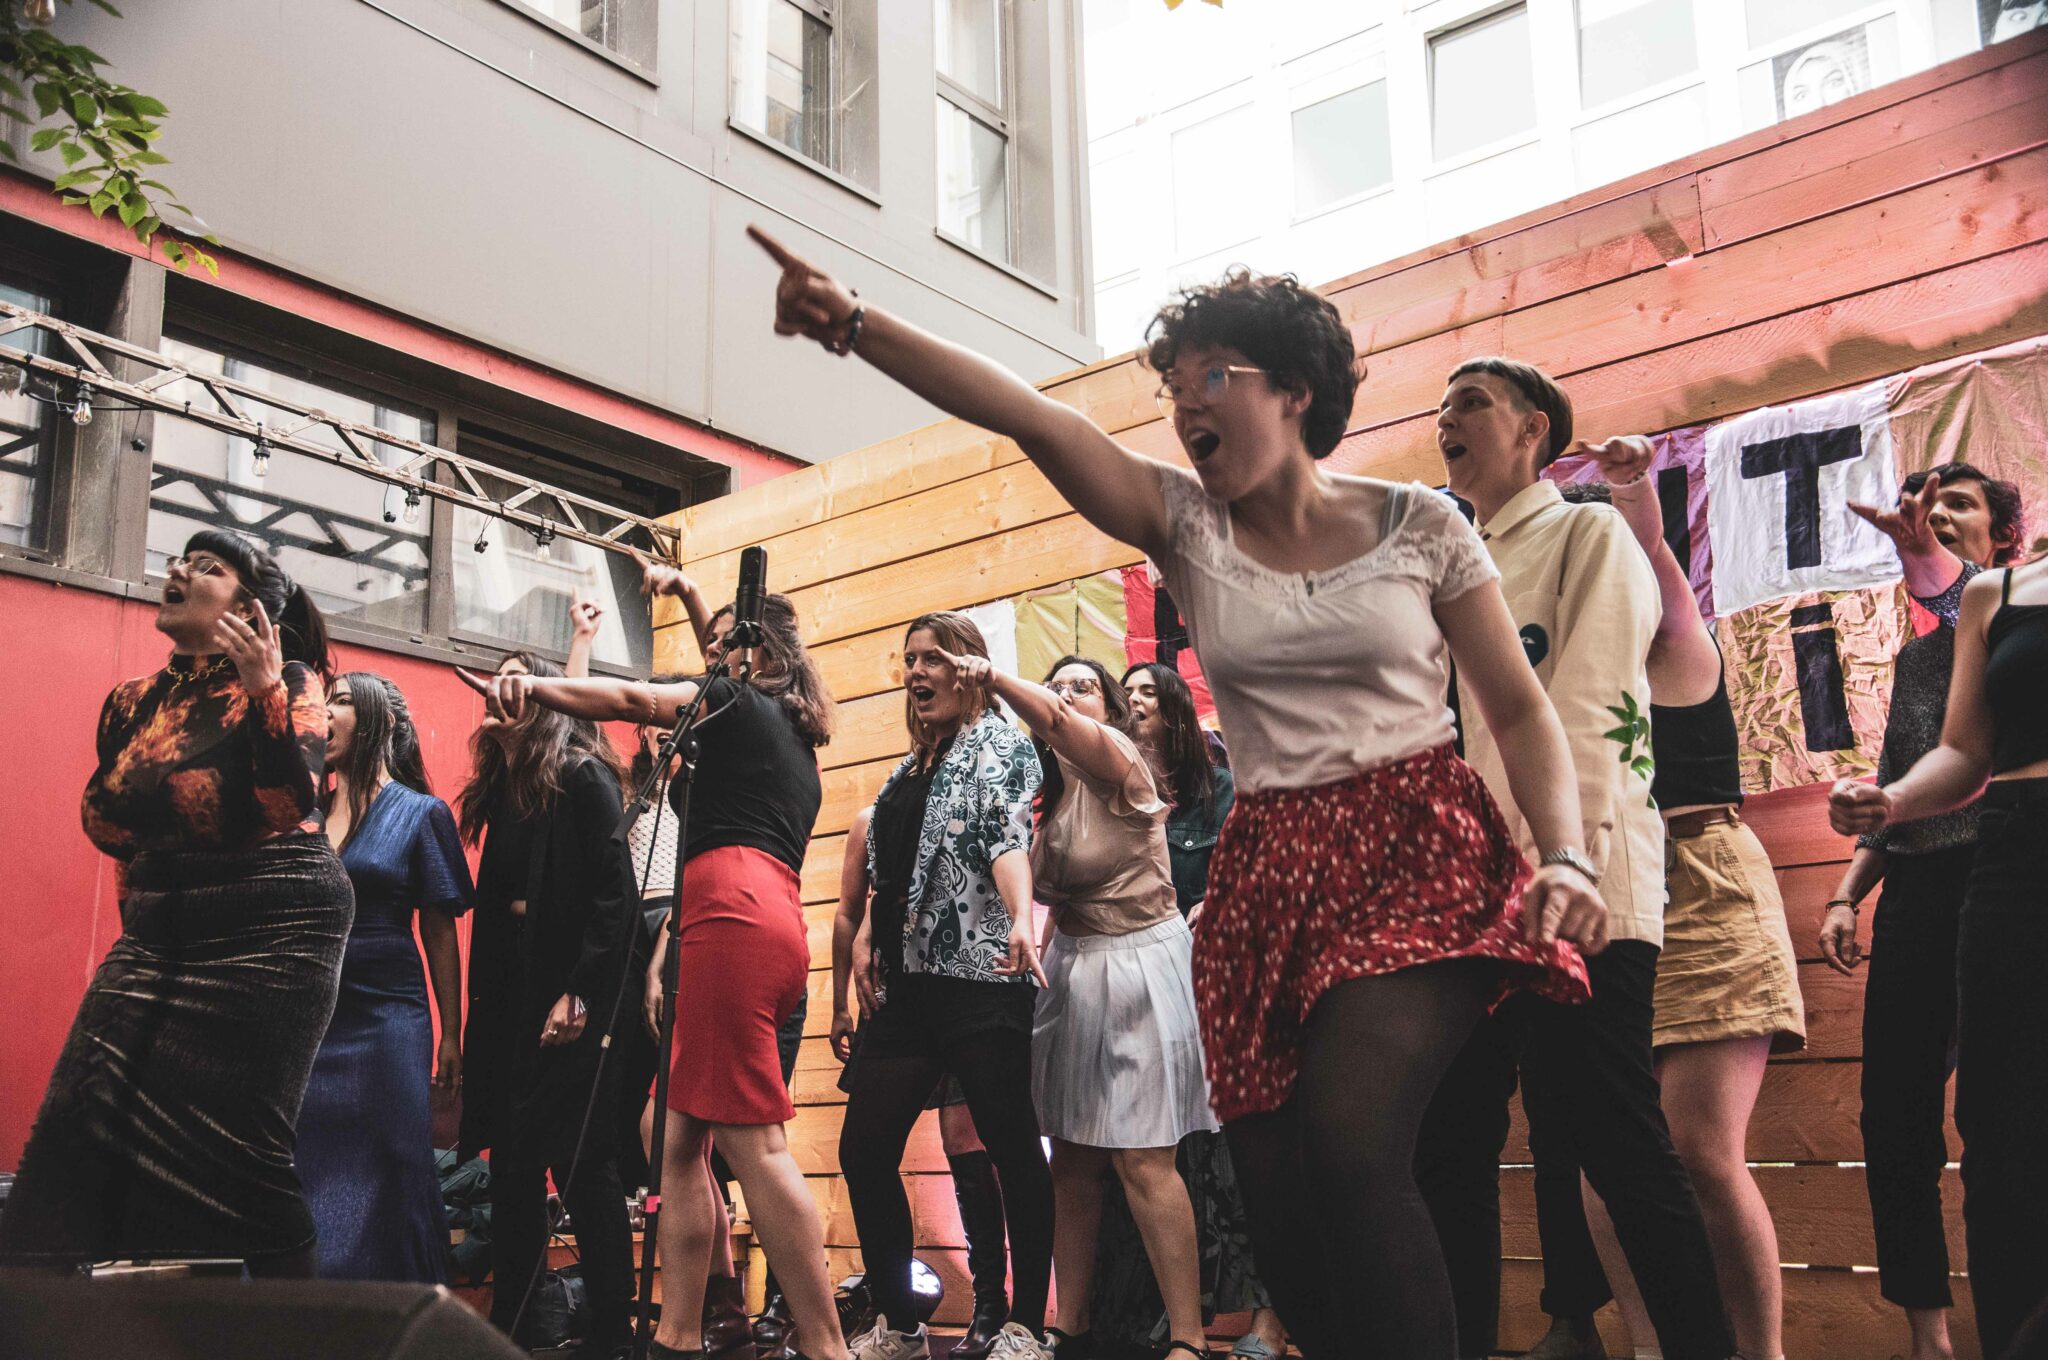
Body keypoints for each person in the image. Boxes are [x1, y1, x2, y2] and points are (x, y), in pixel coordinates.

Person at [751, 228, 1602, 1358]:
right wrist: (855, 324)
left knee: (1353, 1145)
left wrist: (1566, 853)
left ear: (1294, 390)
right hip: (1269, 871)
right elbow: (1030, 416)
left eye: (1210, 374)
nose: (1184, 402)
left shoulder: (1421, 524)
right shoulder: (1186, 525)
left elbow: (1520, 711)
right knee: (1279, 1200)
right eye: (1172, 385)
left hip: (1412, 847)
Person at [1414, 358, 1734, 1360]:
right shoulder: (1450, 565)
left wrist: (1566, 861)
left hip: (1575, 881)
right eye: (1439, 409)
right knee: (1448, 1144)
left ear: (1533, 430)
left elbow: (1594, 705)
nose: (1446, 421)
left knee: (1615, 1144)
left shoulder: (1585, 532)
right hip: (1469, 898)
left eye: (1471, 403)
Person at [460, 582, 851, 1360]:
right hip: (756, 915)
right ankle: (676, 1338)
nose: (708, 658)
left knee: (756, 1145)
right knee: (674, 1143)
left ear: (758, 654)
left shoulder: (736, 705)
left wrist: (532, 687)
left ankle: (826, 1345)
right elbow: (709, 662)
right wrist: (695, 596)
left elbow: (629, 697)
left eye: (722, 647)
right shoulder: (786, 737)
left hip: (731, 918)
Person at [0, 531, 348, 1278]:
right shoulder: (132, 702)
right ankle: (33, 1311)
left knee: (246, 1149)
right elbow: (125, 837)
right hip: (165, 926)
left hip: (275, 923)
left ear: (249, 609)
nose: (180, 570)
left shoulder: (289, 681)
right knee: (77, 1117)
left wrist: (264, 691)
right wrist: (139, 935)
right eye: (180, 560)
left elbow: (287, 803)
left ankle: (296, 1328)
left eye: (207, 567)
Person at [1554, 451, 1806, 1360]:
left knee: (1700, 1149)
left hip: (1703, 881)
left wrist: (1630, 500)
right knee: (1608, 1156)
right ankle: (1654, 1349)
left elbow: (1657, 565)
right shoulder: (1558, 662)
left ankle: (1759, 1354)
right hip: (1609, 890)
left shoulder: (1670, 637)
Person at [941, 652, 1213, 1359]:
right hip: (1076, 968)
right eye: (1056, 686)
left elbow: (1063, 724)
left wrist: (995, 678)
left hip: (1141, 962)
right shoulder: (1048, 794)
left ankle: (1189, 1338)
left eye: (1082, 687)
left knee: (1145, 1161)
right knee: (1071, 1161)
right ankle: (1071, 1323)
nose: (1065, 696)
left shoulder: (1121, 759)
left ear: (1111, 707)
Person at [1816, 463, 2027, 1360]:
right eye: (1926, 508)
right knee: (1892, 1116)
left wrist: (1920, 556)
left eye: (1958, 506)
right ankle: (1927, 1336)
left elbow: (1952, 589)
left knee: (1998, 1115)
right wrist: (1846, 892)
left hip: (2003, 877)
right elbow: (1900, 787)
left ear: (2004, 536)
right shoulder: (1915, 658)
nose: (1936, 517)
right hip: (1915, 890)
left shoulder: (2012, 614)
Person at [836, 612, 1057, 1360]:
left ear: (969, 668)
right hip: (907, 989)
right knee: (864, 1148)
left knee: (1011, 1145)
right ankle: (902, 1327)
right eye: (909, 660)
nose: (917, 672)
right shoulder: (907, 771)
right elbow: (886, 875)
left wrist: (1021, 915)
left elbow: (1004, 838)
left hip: (979, 977)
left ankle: (1025, 1326)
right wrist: (867, 937)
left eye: (933, 658)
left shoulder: (1000, 744)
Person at [1084, 661, 1284, 1360]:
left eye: (1150, 691)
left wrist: (1216, 903)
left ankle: (1271, 1320)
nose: (1136, 700)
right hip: (1142, 995)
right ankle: (1164, 1318)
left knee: (1242, 1157)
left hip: (1220, 991)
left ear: (1175, 709)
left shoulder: (1219, 789)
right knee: (1154, 1158)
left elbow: (1254, 870)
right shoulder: (1111, 789)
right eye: (1129, 692)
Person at [454, 650, 639, 1359]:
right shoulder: (507, 788)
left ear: (547, 700)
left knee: (584, 1165)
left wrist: (582, 991)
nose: (501, 692)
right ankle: (517, 1325)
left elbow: (616, 897)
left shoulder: (583, 777)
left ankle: (613, 1331)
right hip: (512, 1001)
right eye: (496, 680)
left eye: (518, 681)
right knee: (512, 1168)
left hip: (570, 999)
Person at [297, 671, 472, 1282]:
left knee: (394, 1158)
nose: (325, 712)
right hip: (312, 1018)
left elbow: (440, 931)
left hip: (388, 1014)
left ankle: (402, 1304)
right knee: (311, 1158)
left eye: (342, 701)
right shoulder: (306, 815)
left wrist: (451, 1035)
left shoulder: (421, 813)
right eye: (325, 701)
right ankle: (314, 1306)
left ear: (381, 722)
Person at [835, 804, 1015, 1360]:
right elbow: (850, 911)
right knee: (865, 1150)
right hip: (892, 993)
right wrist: (839, 1000)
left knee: (965, 1140)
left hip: (960, 978)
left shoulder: (967, 798)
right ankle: (898, 1317)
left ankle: (990, 1305)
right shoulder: (874, 817)